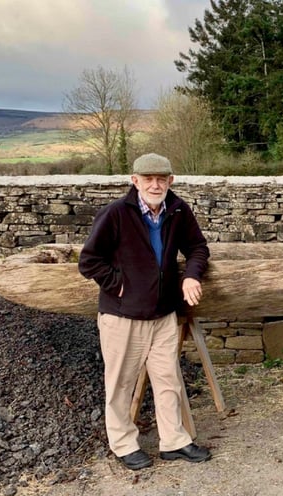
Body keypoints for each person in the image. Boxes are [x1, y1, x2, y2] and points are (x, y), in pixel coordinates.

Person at [79, 153, 211, 470]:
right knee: (121, 384)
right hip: (122, 317)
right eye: (148, 179)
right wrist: (120, 285)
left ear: (170, 181)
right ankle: (124, 445)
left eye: (161, 178)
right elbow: (88, 261)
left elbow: (197, 247)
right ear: (135, 181)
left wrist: (192, 274)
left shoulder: (178, 210)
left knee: (168, 381)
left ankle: (174, 442)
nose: (155, 184)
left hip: (163, 314)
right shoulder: (114, 214)